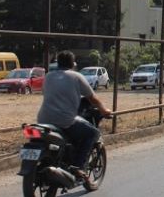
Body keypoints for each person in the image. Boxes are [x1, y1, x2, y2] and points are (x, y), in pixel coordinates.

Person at [37, 50, 112, 188]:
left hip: (43, 119)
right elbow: (93, 98)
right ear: (73, 63)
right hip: (65, 121)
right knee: (93, 133)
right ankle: (77, 167)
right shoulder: (77, 76)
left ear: (58, 63)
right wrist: (104, 110)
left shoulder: (48, 76)